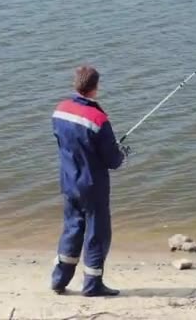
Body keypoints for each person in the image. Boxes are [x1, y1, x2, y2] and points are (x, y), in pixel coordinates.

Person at [50, 65, 130, 297]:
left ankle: (59, 280)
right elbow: (113, 161)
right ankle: (92, 285)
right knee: (97, 233)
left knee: (72, 229)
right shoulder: (98, 118)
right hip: (92, 186)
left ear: (76, 84)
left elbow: (64, 142)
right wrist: (122, 155)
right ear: (95, 87)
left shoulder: (60, 110)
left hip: (69, 181)